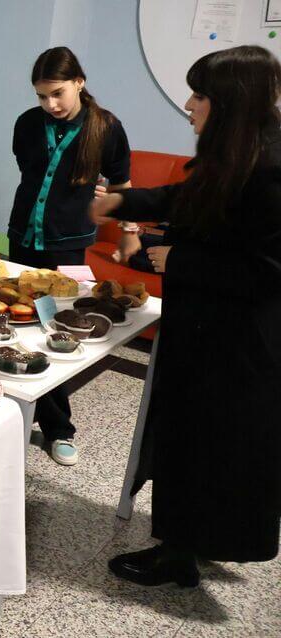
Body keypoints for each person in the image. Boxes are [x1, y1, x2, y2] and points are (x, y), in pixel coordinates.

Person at [90, 45, 281, 586]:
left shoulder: (272, 168)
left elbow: (268, 271)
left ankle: (178, 558)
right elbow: (189, 197)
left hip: (235, 345)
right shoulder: (241, 150)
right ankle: (185, 543)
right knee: (191, 442)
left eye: (200, 95)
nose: (189, 105)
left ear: (230, 101)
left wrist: (180, 260)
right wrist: (123, 203)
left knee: (206, 449)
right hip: (205, 329)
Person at [8, 46, 132, 466]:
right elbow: (29, 173)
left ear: (79, 82)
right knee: (17, 324)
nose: (50, 104)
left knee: (58, 332)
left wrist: (119, 215)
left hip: (67, 244)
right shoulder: (28, 123)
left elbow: (122, 186)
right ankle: (10, 409)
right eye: (42, 96)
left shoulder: (107, 128)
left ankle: (59, 428)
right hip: (23, 237)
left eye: (57, 93)